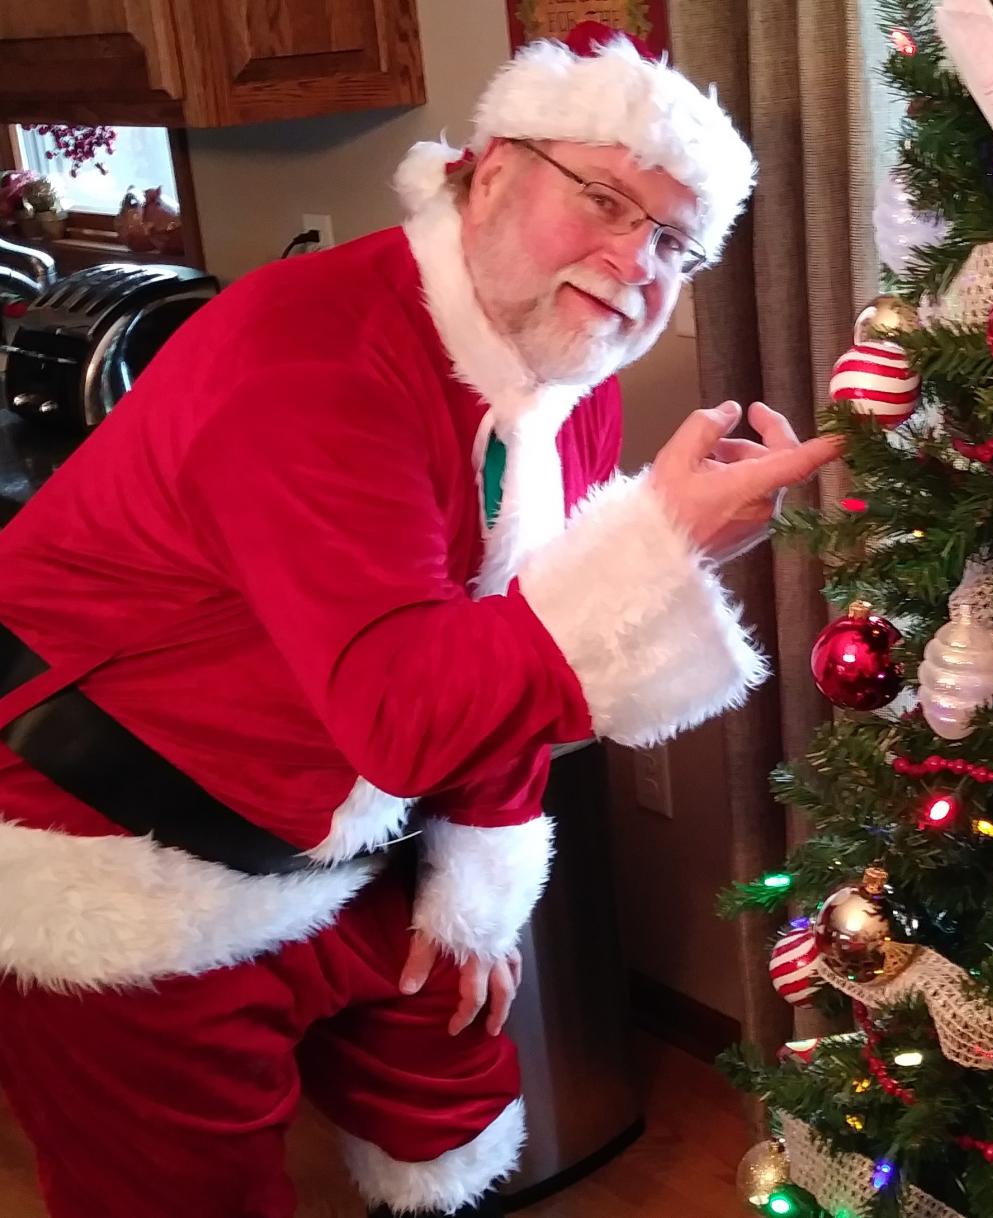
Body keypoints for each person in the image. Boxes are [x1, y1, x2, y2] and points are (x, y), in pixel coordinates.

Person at [0, 21, 840, 1218]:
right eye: (605, 200)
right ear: (491, 170)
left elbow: (506, 631)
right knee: (175, 1188)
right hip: (108, 836)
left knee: (448, 1084)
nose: (634, 260)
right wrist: (659, 547)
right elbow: (408, 711)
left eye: (674, 243)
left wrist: (481, 883)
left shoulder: (565, 383)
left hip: (348, 818)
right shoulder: (311, 355)